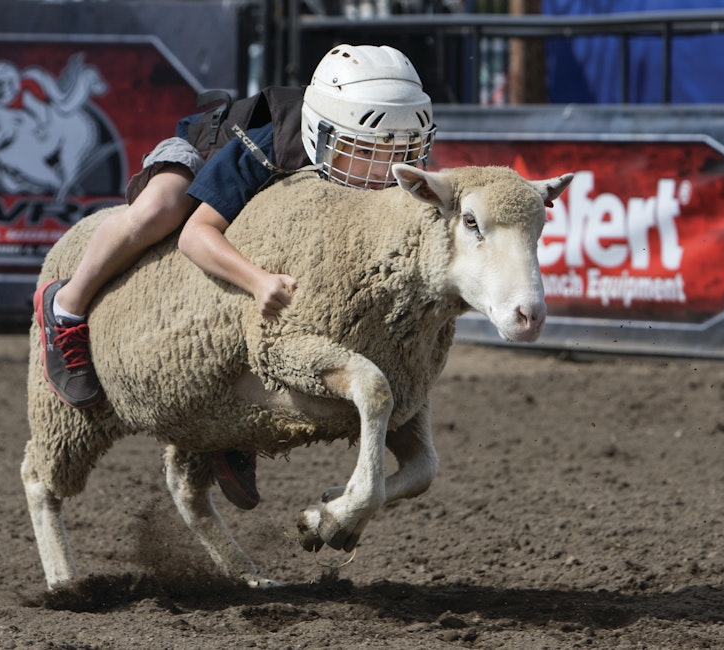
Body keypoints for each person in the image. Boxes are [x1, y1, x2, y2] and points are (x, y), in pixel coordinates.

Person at [34, 44, 436, 509]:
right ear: (324, 133)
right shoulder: (266, 148)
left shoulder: (378, 164)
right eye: (365, 150)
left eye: (399, 149)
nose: (383, 169)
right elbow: (195, 235)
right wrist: (258, 280)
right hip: (204, 151)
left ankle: (232, 432)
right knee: (162, 208)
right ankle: (66, 305)